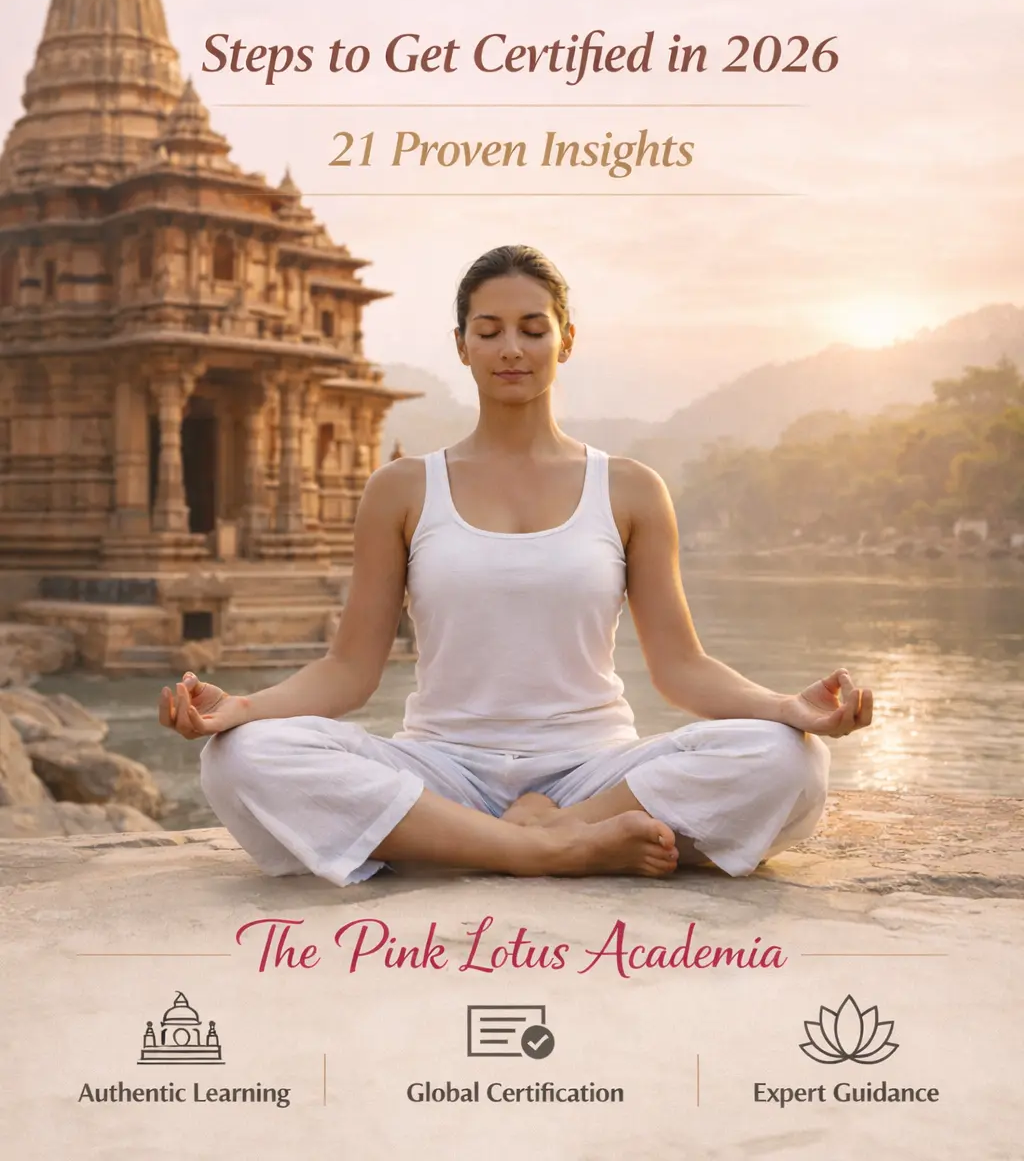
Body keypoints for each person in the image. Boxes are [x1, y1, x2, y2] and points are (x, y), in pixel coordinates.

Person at [159, 244, 872, 884]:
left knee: (791, 758)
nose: (511, 349)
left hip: (595, 771)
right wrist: (242, 710)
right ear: (461, 346)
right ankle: (552, 850)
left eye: (533, 329)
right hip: (444, 766)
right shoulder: (403, 489)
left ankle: (529, 833)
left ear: (565, 341)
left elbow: (680, 669)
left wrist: (786, 708)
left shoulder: (629, 488)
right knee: (238, 758)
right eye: (489, 330)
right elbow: (349, 671)